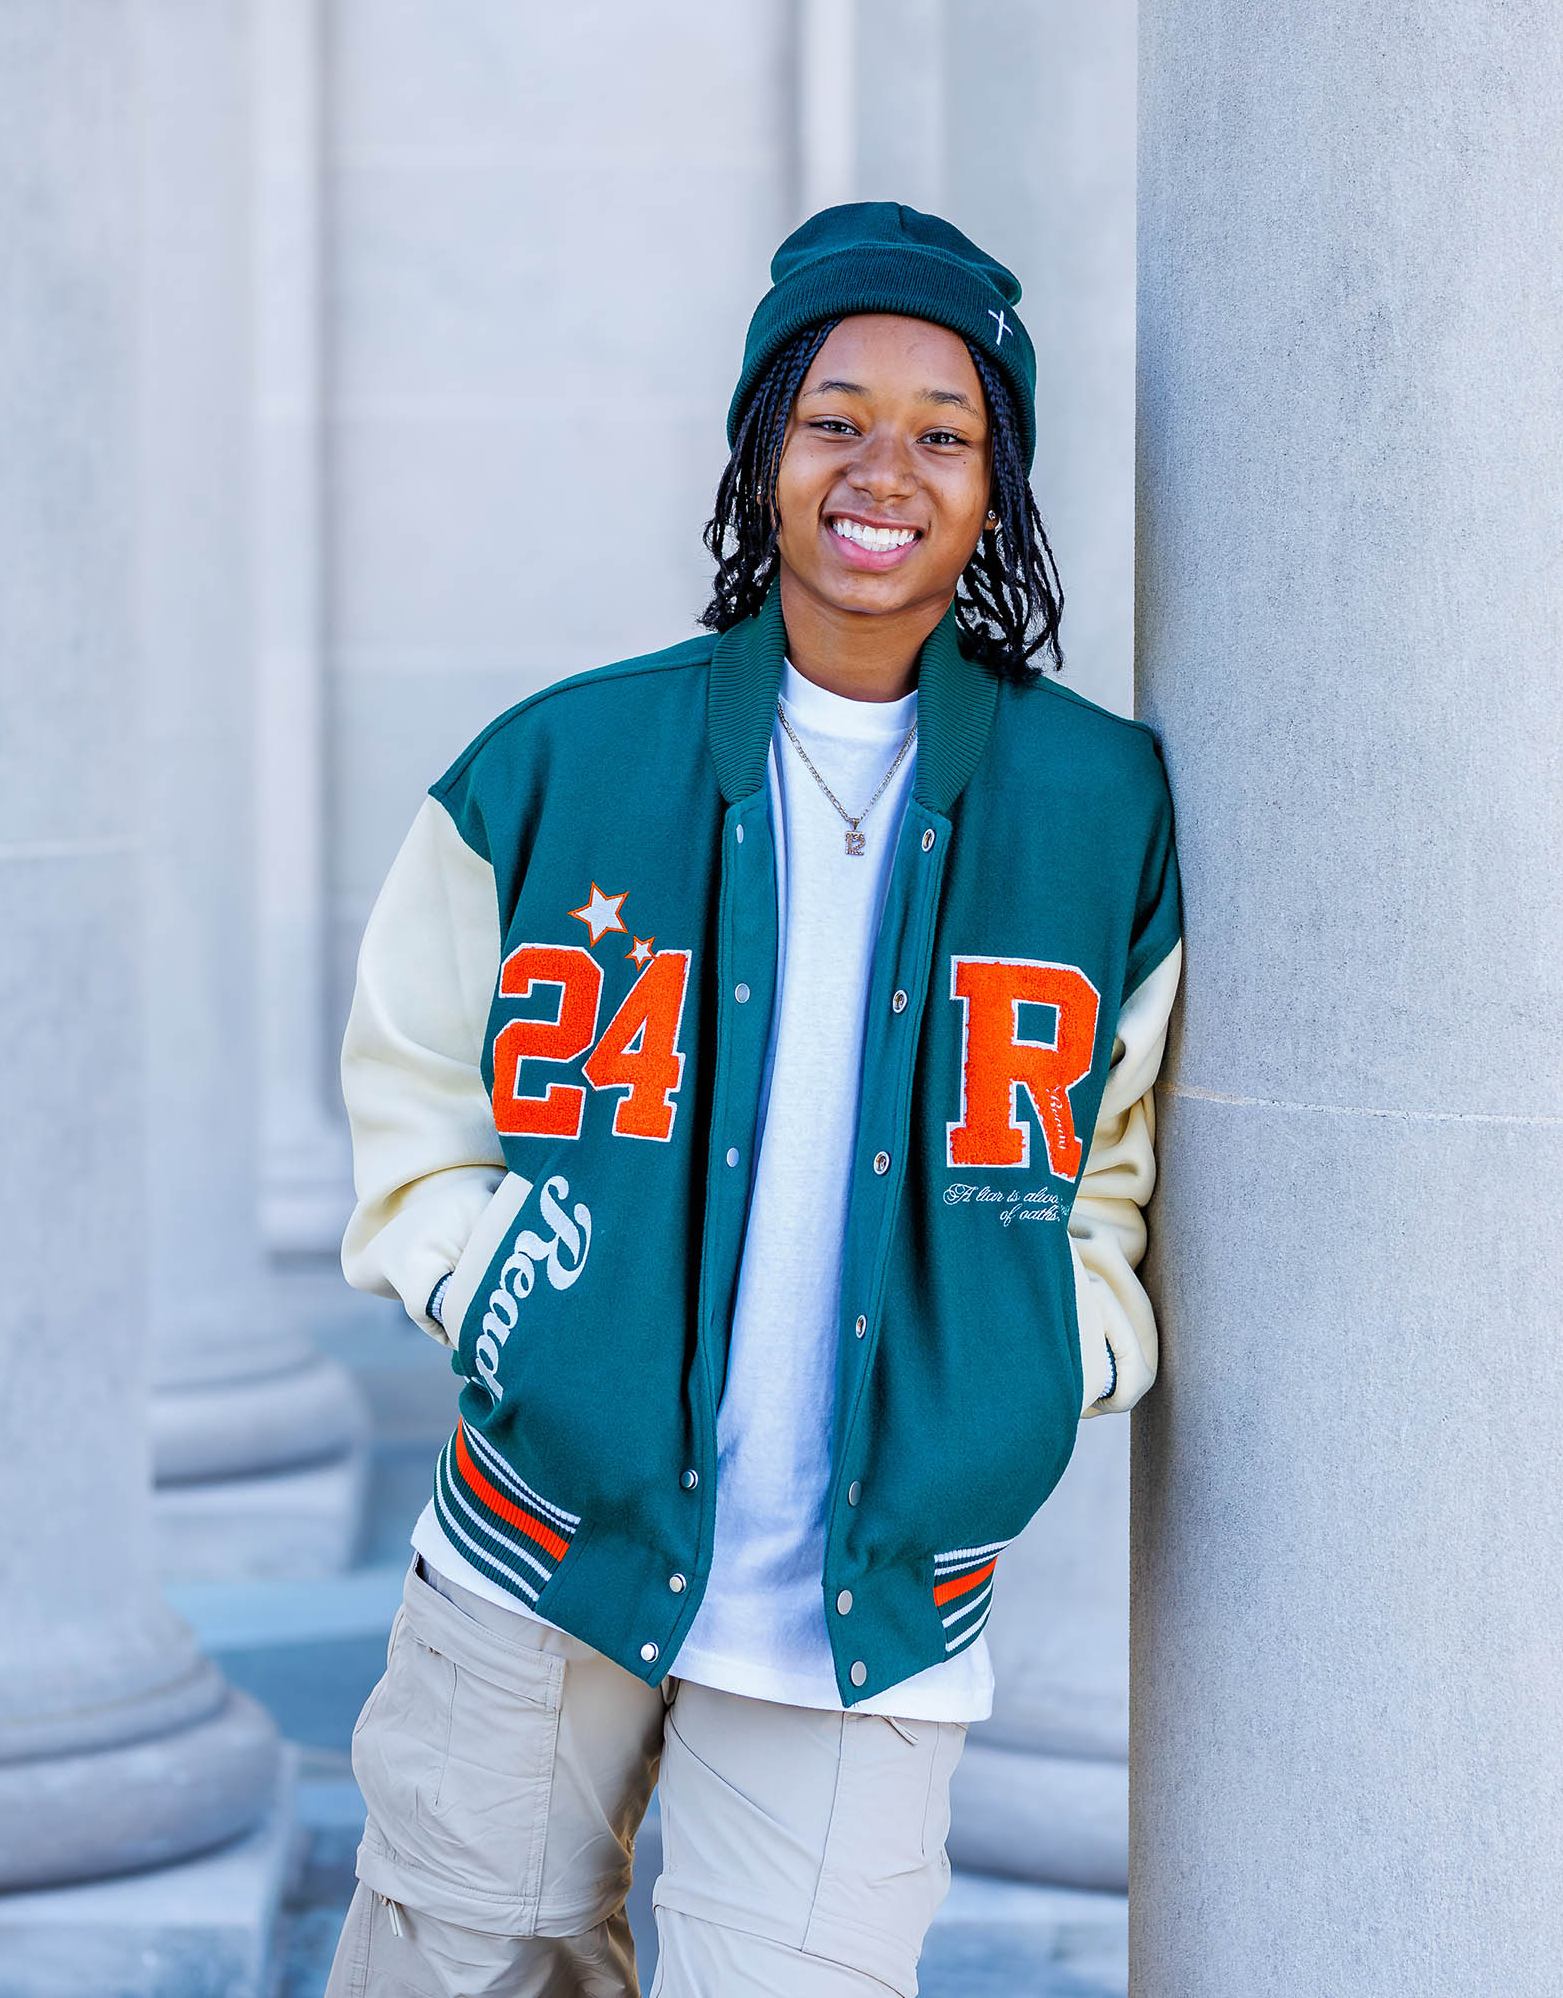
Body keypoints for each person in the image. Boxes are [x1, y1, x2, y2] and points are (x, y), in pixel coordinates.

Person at [325, 201, 1182, 1998]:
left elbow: (1114, 1162)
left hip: (873, 1602)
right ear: (762, 452)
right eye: (835, 416)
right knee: (457, 1966)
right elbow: (414, 1101)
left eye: (945, 432)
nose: (887, 468)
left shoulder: (1098, 806)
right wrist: (509, 1310)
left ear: (997, 482)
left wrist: (1055, 1354)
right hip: (539, 1547)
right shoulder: (560, 759)